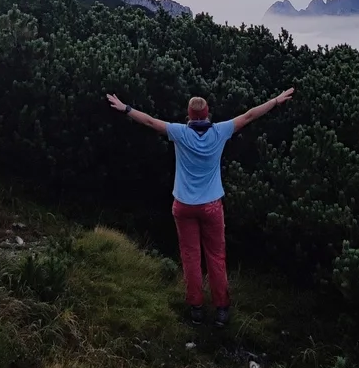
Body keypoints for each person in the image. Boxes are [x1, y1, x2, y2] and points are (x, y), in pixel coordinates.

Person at [104, 87, 295, 326]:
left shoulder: (180, 132)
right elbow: (249, 115)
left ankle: (196, 308)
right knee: (216, 256)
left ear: (188, 115)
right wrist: (275, 100)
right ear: (208, 114)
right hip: (211, 206)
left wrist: (126, 109)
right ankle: (222, 310)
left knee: (191, 257)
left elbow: (151, 122)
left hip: (183, 205)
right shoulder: (220, 131)